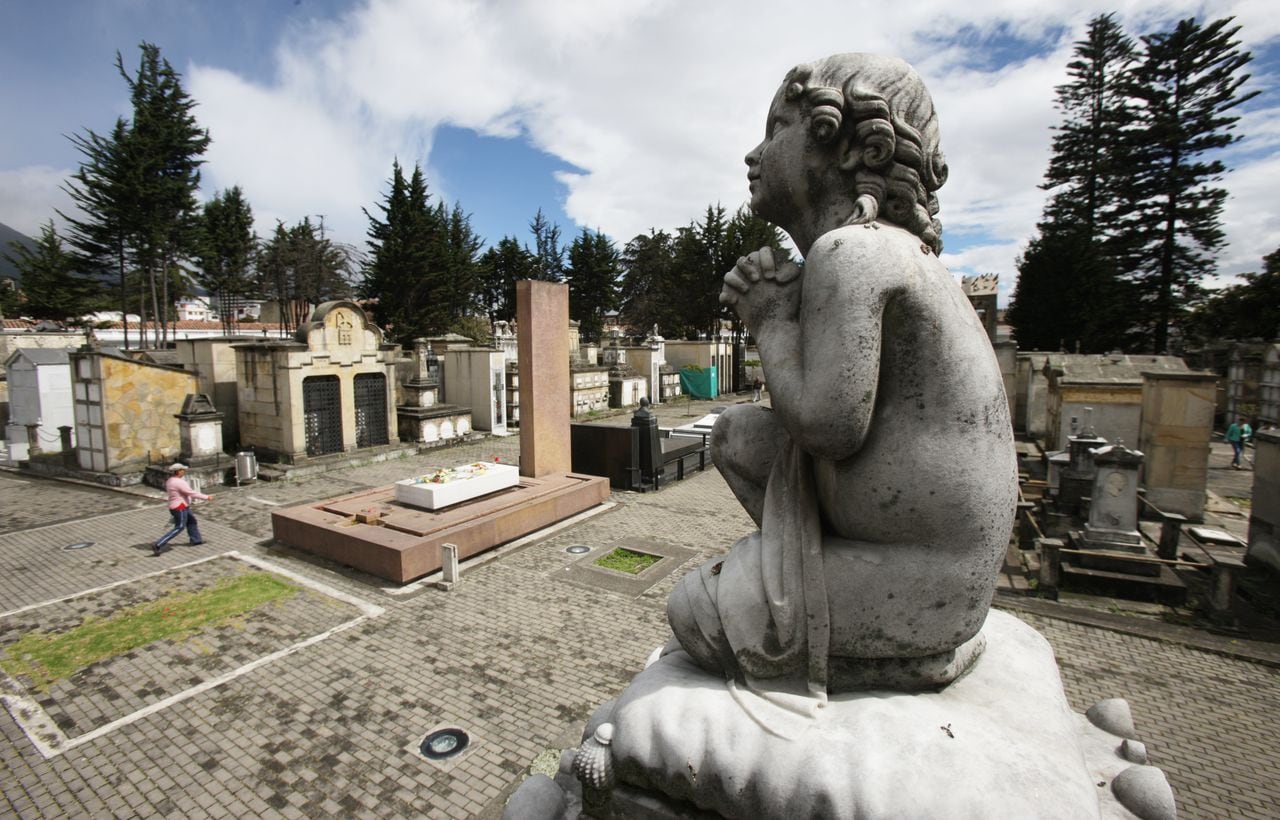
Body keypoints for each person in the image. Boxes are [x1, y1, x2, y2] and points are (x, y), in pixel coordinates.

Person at [668, 54, 1017, 692]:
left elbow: (830, 427)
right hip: (886, 533)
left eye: (775, 129)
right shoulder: (873, 250)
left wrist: (772, 322)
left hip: (926, 575)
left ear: (835, 141)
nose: (754, 153)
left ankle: (894, 646)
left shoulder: (853, 251)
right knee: (735, 436)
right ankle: (810, 575)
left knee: (691, 611)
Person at [154, 463, 215, 555]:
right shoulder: (178, 482)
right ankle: (158, 544)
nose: (184, 471)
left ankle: (196, 540)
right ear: (178, 471)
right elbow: (191, 493)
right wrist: (206, 497)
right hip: (180, 507)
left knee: (191, 521)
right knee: (179, 527)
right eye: (182, 470)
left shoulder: (170, 480)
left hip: (180, 505)